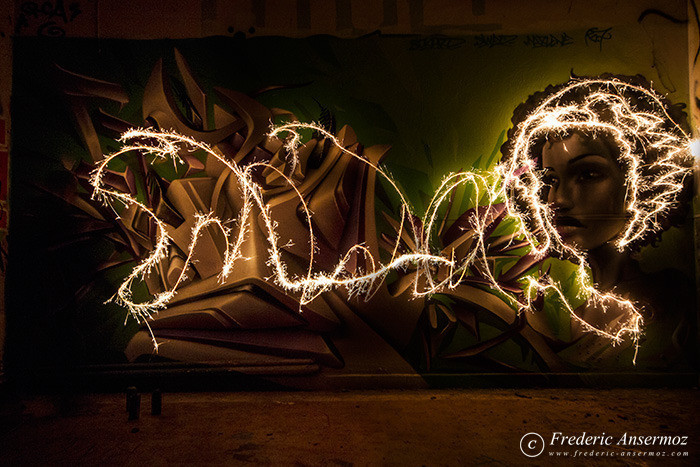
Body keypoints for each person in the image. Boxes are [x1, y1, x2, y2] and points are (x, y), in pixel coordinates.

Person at [501, 75, 695, 368]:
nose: (558, 199)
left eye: (588, 174)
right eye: (550, 179)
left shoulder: (673, 302)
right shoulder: (566, 307)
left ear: (642, 182)